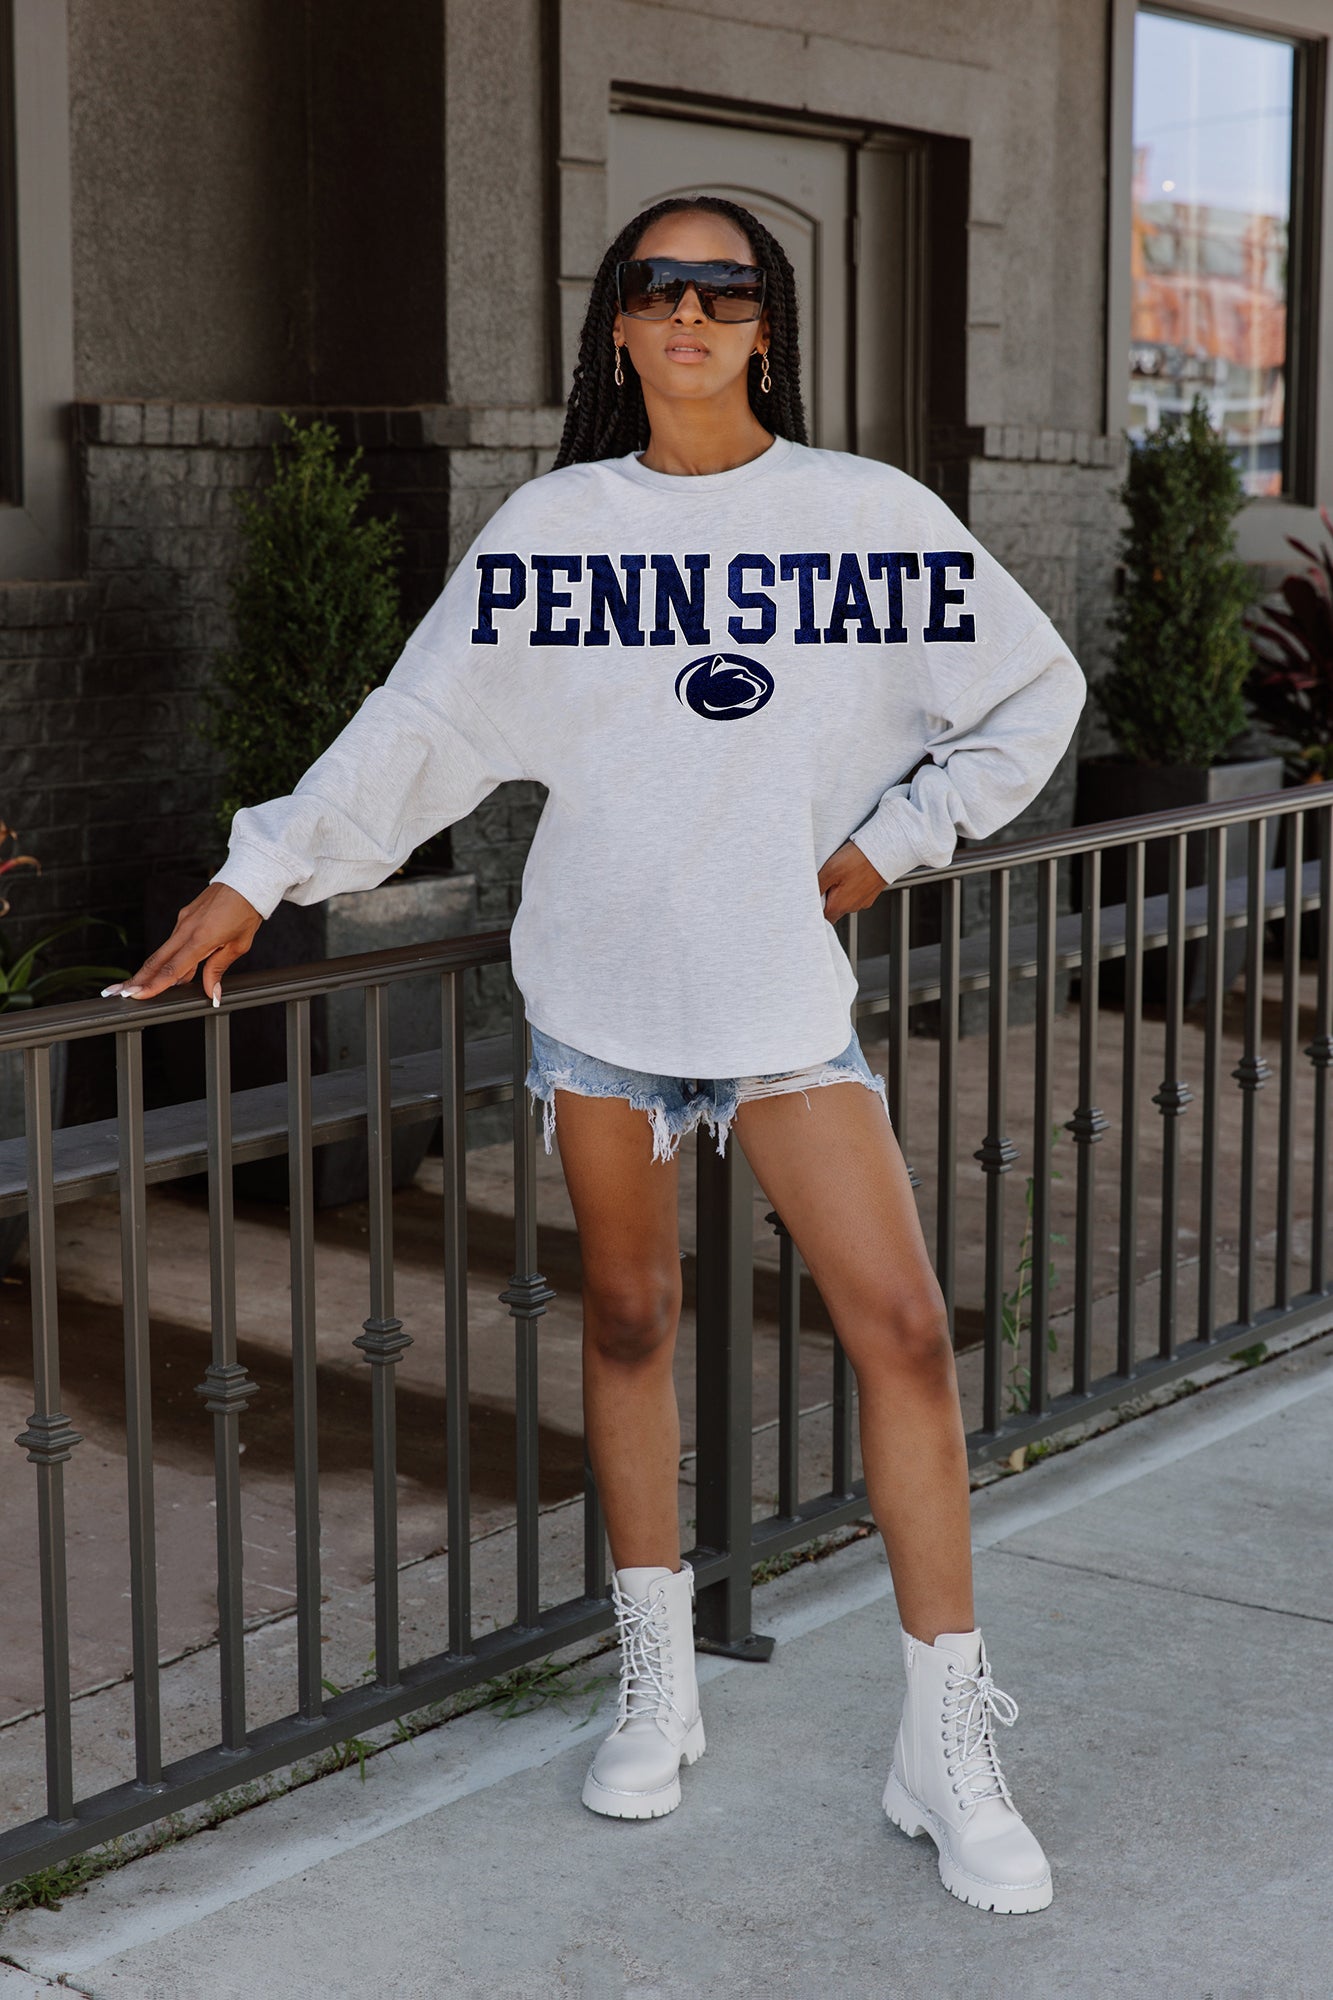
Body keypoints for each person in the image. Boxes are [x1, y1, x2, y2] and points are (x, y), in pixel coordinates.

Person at [105, 194, 1086, 1916]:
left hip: (780, 1007)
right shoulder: (556, 530)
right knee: (627, 1326)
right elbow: (421, 727)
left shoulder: (866, 515)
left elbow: (1033, 692)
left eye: (725, 288)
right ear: (616, 327)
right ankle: (657, 1683)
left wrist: (890, 843)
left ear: (766, 325)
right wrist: (259, 872)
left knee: (906, 1338)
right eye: (658, 286)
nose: (691, 311)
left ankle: (944, 1746)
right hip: (604, 1003)